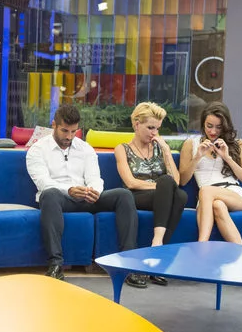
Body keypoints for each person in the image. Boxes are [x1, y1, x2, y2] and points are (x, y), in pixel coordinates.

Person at [26, 103, 145, 287]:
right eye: (64, 131)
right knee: (48, 194)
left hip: (86, 198)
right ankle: (55, 265)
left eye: (73, 131)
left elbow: (95, 178)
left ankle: (128, 265)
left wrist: (94, 191)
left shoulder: (85, 148)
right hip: (59, 199)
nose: (69, 137)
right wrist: (69, 190)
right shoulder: (37, 150)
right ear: (54, 125)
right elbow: (43, 182)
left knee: (123, 195)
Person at [114, 102, 188, 286]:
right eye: (150, 128)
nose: (154, 133)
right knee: (167, 184)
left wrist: (167, 151)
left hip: (162, 198)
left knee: (181, 196)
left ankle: (157, 249)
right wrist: (162, 187)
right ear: (136, 124)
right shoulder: (122, 149)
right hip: (135, 196)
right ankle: (157, 249)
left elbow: (176, 182)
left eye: (157, 129)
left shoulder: (159, 148)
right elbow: (130, 182)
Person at [179, 101, 242, 245]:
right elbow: (183, 180)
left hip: (234, 193)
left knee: (206, 191)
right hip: (206, 200)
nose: (213, 131)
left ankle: (202, 244)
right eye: (209, 126)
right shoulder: (191, 144)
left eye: (219, 127)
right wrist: (197, 156)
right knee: (218, 205)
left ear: (225, 126)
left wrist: (227, 157)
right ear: (203, 124)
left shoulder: (239, 144)